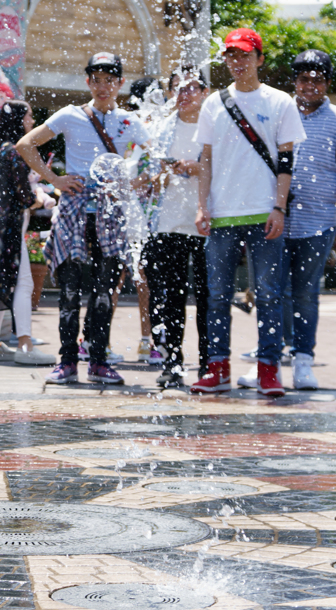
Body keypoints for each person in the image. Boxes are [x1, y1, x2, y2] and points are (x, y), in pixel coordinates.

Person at [16, 52, 149, 385]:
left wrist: (133, 184)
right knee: (71, 290)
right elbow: (25, 144)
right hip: (75, 209)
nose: (103, 86)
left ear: (120, 83)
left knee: (105, 291)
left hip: (110, 211)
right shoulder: (71, 115)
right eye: (96, 79)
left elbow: (155, 157)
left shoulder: (130, 121)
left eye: (110, 80)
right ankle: (67, 361)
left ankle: (99, 360)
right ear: (88, 81)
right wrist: (56, 180)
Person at [236, 50, 336, 391]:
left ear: (327, 83)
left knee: (306, 293)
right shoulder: (276, 112)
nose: (310, 85)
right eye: (304, 78)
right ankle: (268, 363)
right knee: (269, 293)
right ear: (295, 81)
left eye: (317, 79)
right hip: (272, 220)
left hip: (318, 222)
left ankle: (303, 360)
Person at [191, 29, 306, 396]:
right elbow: (205, 159)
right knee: (216, 296)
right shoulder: (213, 103)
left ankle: (269, 369)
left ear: (259, 59)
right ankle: (217, 367)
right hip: (222, 214)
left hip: (264, 212)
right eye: (230, 56)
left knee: (269, 294)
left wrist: (279, 207)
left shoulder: (280, 101)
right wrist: (201, 205)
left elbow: (287, 159)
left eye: (243, 56)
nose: (236, 63)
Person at [0, 101, 56, 366]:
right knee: (23, 283)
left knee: (1, 281)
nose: (32, 122)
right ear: (20, 120)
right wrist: (42, 197)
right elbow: (24, 195)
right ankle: (25, 344)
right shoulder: (16, 152)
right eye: (29, 117)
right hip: (10, 228)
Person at [142, 68, 210, 388]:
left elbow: (229, 168)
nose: (185, 94)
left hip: (207, 223)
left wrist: (200, 168)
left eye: (192, 88)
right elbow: (145, 174)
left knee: (210, 298)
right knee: (170, 298)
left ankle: (210, 363)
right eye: (178, 88)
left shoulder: (215, 128)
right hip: (168, 224)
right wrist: (158, 172)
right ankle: (172, 362)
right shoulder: (160, 128)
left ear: (205, 92)